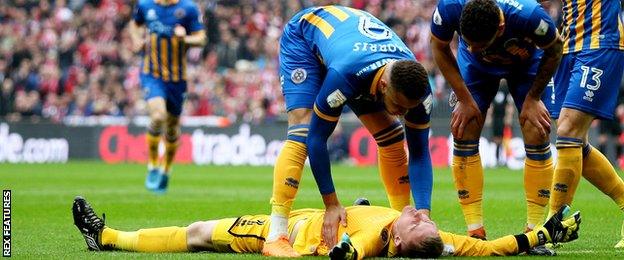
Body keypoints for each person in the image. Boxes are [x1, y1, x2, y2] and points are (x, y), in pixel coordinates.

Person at [265, 6, 435, 256]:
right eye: (398, 104)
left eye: (407, 108)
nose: (402, 112)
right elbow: (317, 139)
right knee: (302, 130)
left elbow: (419, 154)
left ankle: (398, 218)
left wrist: (423, 214)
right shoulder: (346, 76)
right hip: (306, 39)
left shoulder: (419, 92)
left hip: (355, 53)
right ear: (385, 86)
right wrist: (331, 204)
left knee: (393, 136)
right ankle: (276, 235)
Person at [72, 196, 582, 259]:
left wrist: (337, 252)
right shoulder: (435, 241)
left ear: (398, 240)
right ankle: (109, 238)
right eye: (427, 219)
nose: (424, 214)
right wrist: (542, 233)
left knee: (201, 232)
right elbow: (490, 248)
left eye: (416, 220)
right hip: (310, 225)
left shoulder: (376, 239)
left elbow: (354, 250)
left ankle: (108, 239)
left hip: (291, 233)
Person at [430, 0, 562, 239]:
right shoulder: (450, 7)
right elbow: (438, 46)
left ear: (501, 28)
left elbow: (555, 48)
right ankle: (475, 230)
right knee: (463, 127)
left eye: (478, 45)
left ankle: (533, 231)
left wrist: (533, 98)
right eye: (467, 43)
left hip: (526, 65)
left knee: (537, 128)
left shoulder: (530, 15)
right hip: (476, 70)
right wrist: (464, 98)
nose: (471, 48)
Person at [542, 0, 624, 248]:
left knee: (568, 130)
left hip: (601, 40)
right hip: (568, 43)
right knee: (575, 139)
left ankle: (551, 226)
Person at [128, 0, 206, 193]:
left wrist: (185, 39)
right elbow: (135, 24)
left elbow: (201, 38)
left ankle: (166, 169)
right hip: (152, 75)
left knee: (172, 129)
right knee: (158, 116)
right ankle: (153, 166)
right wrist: (136, 40)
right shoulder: (146, 6)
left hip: (177, 79)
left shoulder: (188, 9)